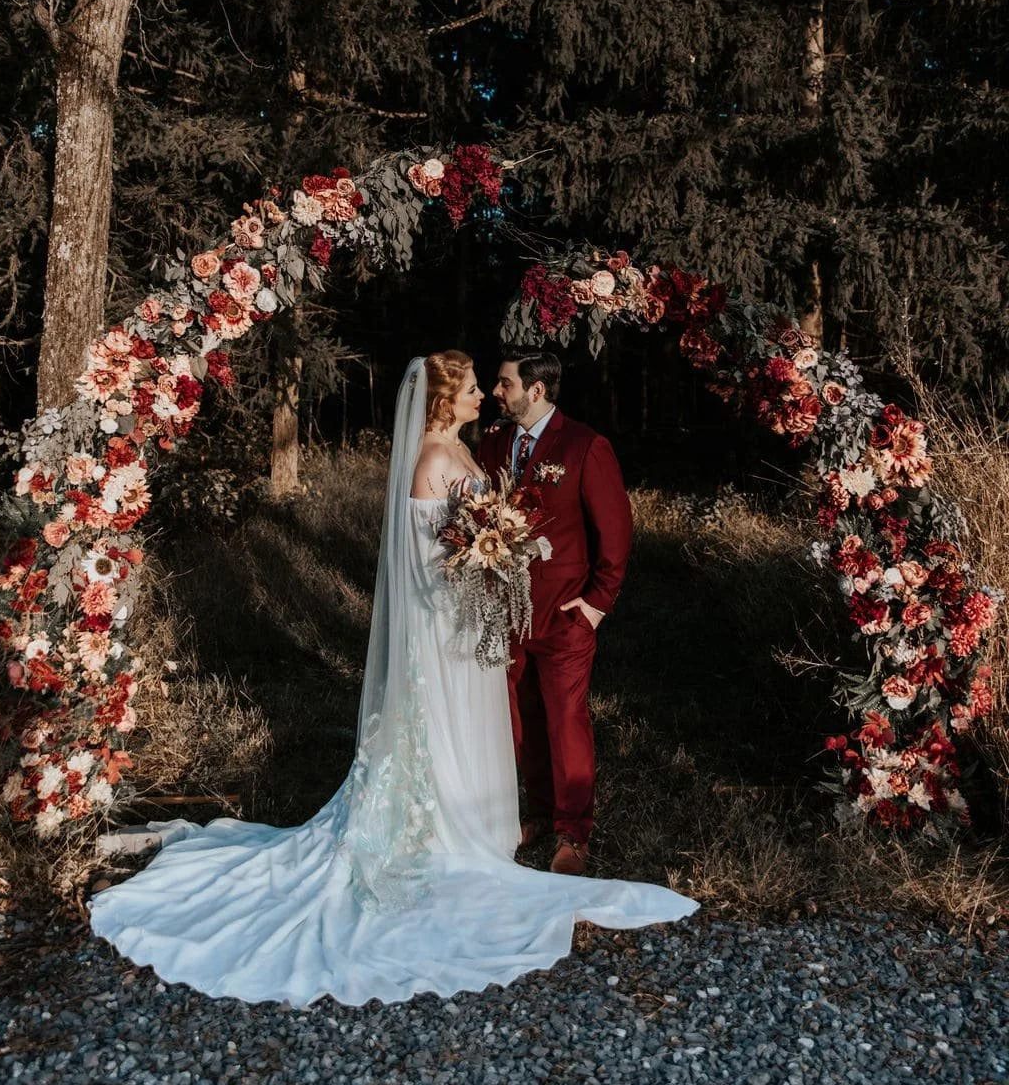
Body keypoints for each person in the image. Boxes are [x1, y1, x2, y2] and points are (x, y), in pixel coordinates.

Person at [88, 353, 695, 1007]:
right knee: (472, 724)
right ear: (441, 401)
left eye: (494, 384)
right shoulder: (445, 457)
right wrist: (486, 561)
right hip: (455, 622)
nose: (485, 394)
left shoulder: (515, 448)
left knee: (544, 716)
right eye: (470, 388)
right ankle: (470, 826)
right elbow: (426, 555)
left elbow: (593, 529)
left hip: (511, 617)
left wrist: (553, 581)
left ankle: (544, 827)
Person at [479, 348, 631, 877]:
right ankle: (540, 812)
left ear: (535, 391)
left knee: (566, 720)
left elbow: (615, 534)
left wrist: (596, 604)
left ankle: (574, 832)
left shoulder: (586, 446)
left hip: (566, 614)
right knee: (519, 720)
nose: (496, 393)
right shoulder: (494, 442)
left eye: (504, 384)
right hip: (507, 614)